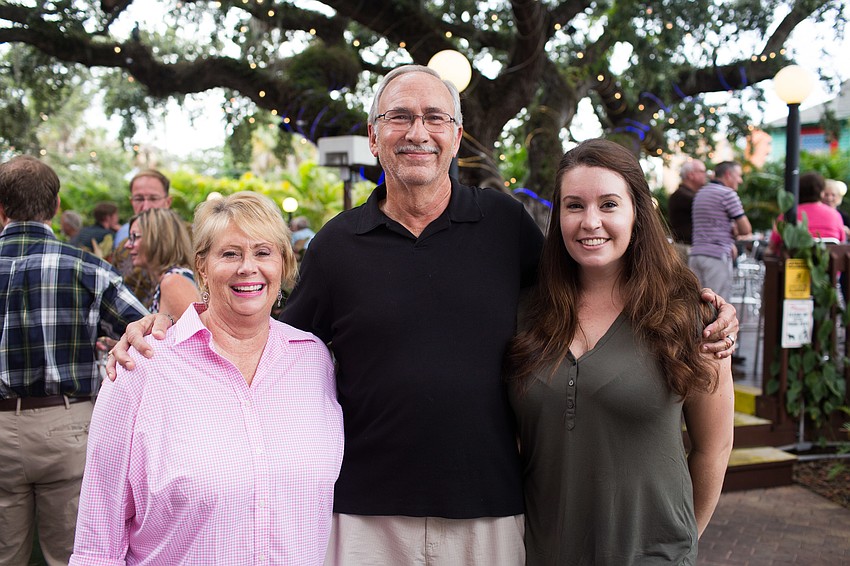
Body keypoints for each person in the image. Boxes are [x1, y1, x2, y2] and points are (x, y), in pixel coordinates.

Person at [107, 65, 739, 566]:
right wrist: (167, 324)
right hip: (365, 517)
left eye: (435, 117)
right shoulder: (337, 244)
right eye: (400, 118)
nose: (418, 132)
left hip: (491, 512)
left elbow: (595, 275)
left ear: (456, 137)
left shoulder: (504, 226)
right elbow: (267, 338)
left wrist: (698, 305)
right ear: (376, 134)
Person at [70, 192, 344, 565]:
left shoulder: (314, 361)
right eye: (230, 254)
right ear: (201, 266)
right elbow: (97, 543)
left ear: (284, 262)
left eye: (263, 252)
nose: (248, 267)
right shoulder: (143, 368)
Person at [505, 139, 734, 565]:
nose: (590, 221)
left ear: (637, 213)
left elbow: (714, 446)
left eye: (609, 204)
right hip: (542, 554)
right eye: (574, 206)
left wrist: (681, 544)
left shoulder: (692, 314)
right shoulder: (524, 312)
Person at [0, 156, 148, 566]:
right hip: (65, 424)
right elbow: (148, 332)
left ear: (1, 207)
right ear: (57, 205)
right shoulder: (87, 268)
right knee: (74, 554)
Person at [688, 161, 752, 301]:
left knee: (697, 305)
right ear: (728, 175)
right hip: (717, 256)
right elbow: (746, 229)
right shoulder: (728, 194)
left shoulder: (700, 193)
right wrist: (735, 229)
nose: (740, 180)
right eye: (739, 176)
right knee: (718, 306)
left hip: (696, 255)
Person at [124, 207, 200, 319]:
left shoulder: (173, 282)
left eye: (134, 237)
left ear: (158, 238)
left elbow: (196, 334)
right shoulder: (169, 279)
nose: (127, 245)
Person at [112, 169, 173, 306]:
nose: (146, 207)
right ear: (131, 201)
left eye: (153, 198)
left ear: (168, 202)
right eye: (139, 199)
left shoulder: (191, 239)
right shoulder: (124, 248)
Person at [768, 171, 846, 255]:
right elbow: (842, 243)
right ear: (821, 193)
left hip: (793, 266)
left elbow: (772, 247)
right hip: (829, 265)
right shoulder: (835, 215)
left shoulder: (787, 215)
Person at [667, 158, 707, 261]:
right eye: (702, 171)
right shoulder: (682, 195)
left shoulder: (687, 195)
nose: (706, 175)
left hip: (690, 249)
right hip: (686, 249)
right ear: (690, 175)